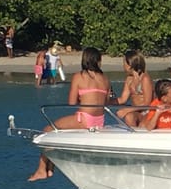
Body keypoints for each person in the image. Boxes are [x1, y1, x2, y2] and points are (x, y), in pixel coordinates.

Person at [29, 47, 111, 181]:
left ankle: (42, 169)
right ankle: (50, 168)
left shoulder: (79, 77)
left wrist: (82, 97)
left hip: (84, 120)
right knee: (55, 132)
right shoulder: (105, 79)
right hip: (99, 121)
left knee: (47, 130)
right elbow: (106, 102)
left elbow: (72, 102)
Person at [114, 50, 154, 127]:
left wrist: (127, 110)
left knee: (138, 121)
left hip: (148, 111)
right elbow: (123, 99)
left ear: (130, 64)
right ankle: (133, 135)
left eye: (124, 63)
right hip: (137, 112)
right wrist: (107, 101)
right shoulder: (129, 79)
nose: (123, 66)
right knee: (129, 117)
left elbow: (147, 104)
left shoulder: (145, 78)